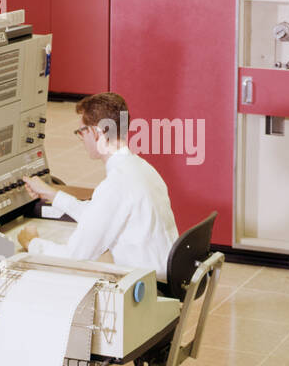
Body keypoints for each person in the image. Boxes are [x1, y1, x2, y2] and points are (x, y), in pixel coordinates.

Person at [19, 92, 178, 281]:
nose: (81, 138)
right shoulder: (142, 168)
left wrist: (33, 244)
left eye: (81, 132)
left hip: (148, 287)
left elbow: (75, 257)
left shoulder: (116, 184)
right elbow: (100, 214)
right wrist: (53, 195)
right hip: (164, 274)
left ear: (96, 132)